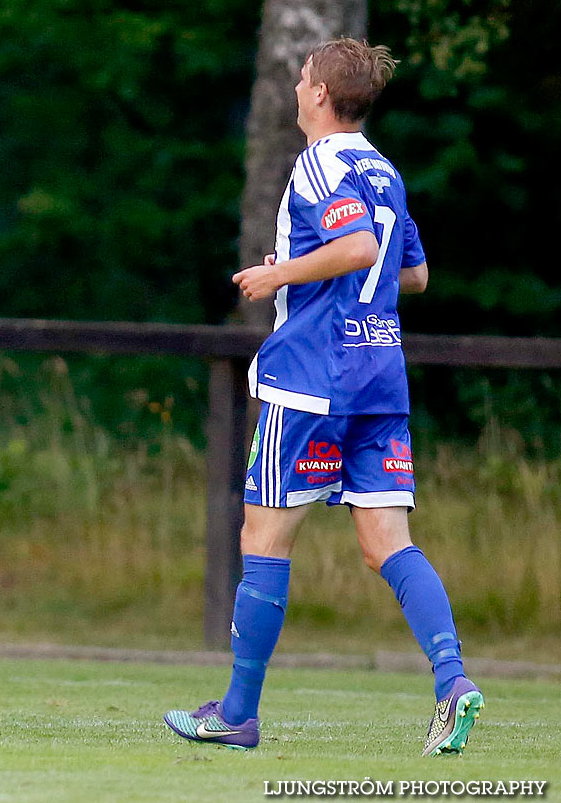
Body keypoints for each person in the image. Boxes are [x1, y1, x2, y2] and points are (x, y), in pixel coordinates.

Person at [163, 38, 480, 756]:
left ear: (321, 95)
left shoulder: (320, 161)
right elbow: (416, 273)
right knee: (386, 544)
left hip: (312, 377)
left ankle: (238, 714)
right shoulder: (383, 169)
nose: (298, 85)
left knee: (264, 539)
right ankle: (453, 680)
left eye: (304, 77)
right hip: (380, 374)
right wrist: (310, 269)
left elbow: (362, 250)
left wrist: (281, 278)